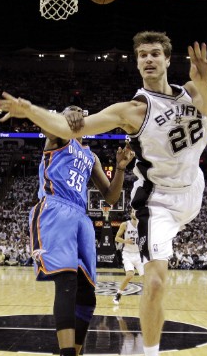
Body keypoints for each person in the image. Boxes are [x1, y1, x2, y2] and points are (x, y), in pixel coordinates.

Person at [0, 31, 207, 356]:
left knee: (98, 286)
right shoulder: (131, 110)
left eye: (155, 53)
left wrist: (204, 82)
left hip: (194, 188)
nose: (148, 59)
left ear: (168, 59)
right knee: (154, 282)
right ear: (137, 62)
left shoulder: (191, 92)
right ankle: (149, 353)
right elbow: (68, 129)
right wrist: (30, 109)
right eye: (142, 55)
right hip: (157, 202)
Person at [29, 105, 135, 356]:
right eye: (73, 110)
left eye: (82, 111)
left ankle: (74, 352)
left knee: (87, 295)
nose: (79, 113)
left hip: (81, 217)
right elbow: (46, 122)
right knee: (66, 282)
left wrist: (120, 167)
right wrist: (61, 119)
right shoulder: (58, 136)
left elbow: (110, 197)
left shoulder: (91, 156)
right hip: (55, 208)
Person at [113, 208, 144, 305]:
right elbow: (117, 238)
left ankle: (149, 298)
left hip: (138, 254)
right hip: (127, 254)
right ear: (131, 213)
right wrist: (126, 241)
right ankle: (118, 294)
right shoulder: (125, 224)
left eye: (136, 211)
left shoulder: (142, 225)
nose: (135, 213)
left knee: (146, 277)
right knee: (130, 275)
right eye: (133, 211)